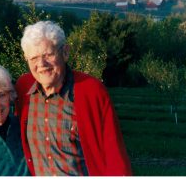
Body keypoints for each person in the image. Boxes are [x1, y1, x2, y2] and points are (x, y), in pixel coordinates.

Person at [15, 21, 132, 176]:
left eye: (48, 55)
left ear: (65, 52)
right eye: (34, 58)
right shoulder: (23, 89)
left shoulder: (91, 91)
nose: (41, 64)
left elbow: (114, 152)